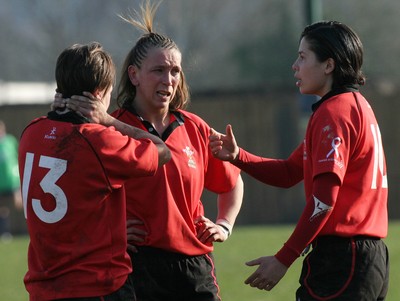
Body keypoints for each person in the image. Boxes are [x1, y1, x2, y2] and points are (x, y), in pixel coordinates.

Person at [55, 1, 244, 300]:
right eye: (158, 70)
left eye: (175, 71)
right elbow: (72, 196)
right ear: (134, 75)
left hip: (194, 267)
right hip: (135, 265)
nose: (168, 80)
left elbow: (233, 182)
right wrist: (110, 230)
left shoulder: (195, 127)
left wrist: (224, 225)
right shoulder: (110, 127)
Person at [210, 21, 389, 300]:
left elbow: (324, 200)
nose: (295, 65)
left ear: (328, 65)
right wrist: (237, 156)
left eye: (303, 57)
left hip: (343, 260)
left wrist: (284, 258)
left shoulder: (335, 112)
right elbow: (289, 172)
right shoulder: (355, 105)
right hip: (367, 259)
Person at [19, 42, 171, 301]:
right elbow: (162, 150)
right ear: (100, 93)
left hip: (43, 288)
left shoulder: (31, 132)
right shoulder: (99, 141)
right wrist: (108, 119)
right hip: (97, 287)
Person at [0, 120, 22, 241]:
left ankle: (29, 229)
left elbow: (17, 157)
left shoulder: (10, 141)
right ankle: (5, 233)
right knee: (3, 209)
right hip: (1, 182)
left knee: (19, 204)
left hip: (13, 180)